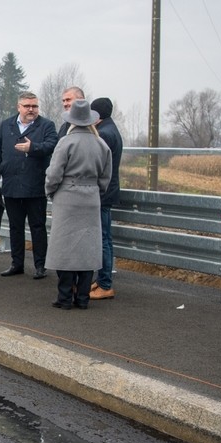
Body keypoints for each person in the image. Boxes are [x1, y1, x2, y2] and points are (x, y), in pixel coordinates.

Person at [44, 99, 112, 310]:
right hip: (91, 198)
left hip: (67, 198)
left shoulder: (66, 142)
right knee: (87, 250)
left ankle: (64, 298)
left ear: (72, 120)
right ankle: (82, 298)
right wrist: (95, 191)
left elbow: (54, 174)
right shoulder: (101, 144)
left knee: (65, 250)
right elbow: (106, 177)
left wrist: (50, 191)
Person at [0, 91, 58, 279]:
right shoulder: (7, 125)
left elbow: (52, 145)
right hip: (11, 185)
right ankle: (16, 263)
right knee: (15, 227)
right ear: (18, 107)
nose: (31, 109)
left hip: (35, 186)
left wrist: (32, 147)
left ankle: (40, 266)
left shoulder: (46, 125)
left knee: (38, 227)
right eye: (27, 106)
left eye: (34, 106)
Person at [89, 97, 124, 301]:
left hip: (102, 194)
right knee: (105, 239)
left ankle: (104, 284)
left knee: (102, 240)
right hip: (108, 192)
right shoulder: (111, 129)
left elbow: (98, 166)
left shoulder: (104, 134)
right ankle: (102, 279)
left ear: (97, 115)